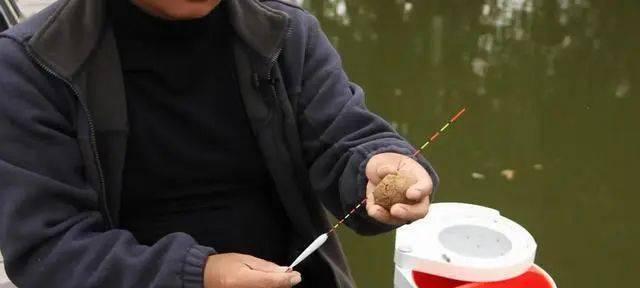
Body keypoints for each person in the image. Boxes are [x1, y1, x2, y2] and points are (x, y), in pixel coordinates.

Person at [0, 0, 438, 287]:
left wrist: (376, 164)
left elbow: (344, 134)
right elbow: (48, 247)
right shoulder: (31, 66)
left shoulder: (286, 33)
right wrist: (200, 275)